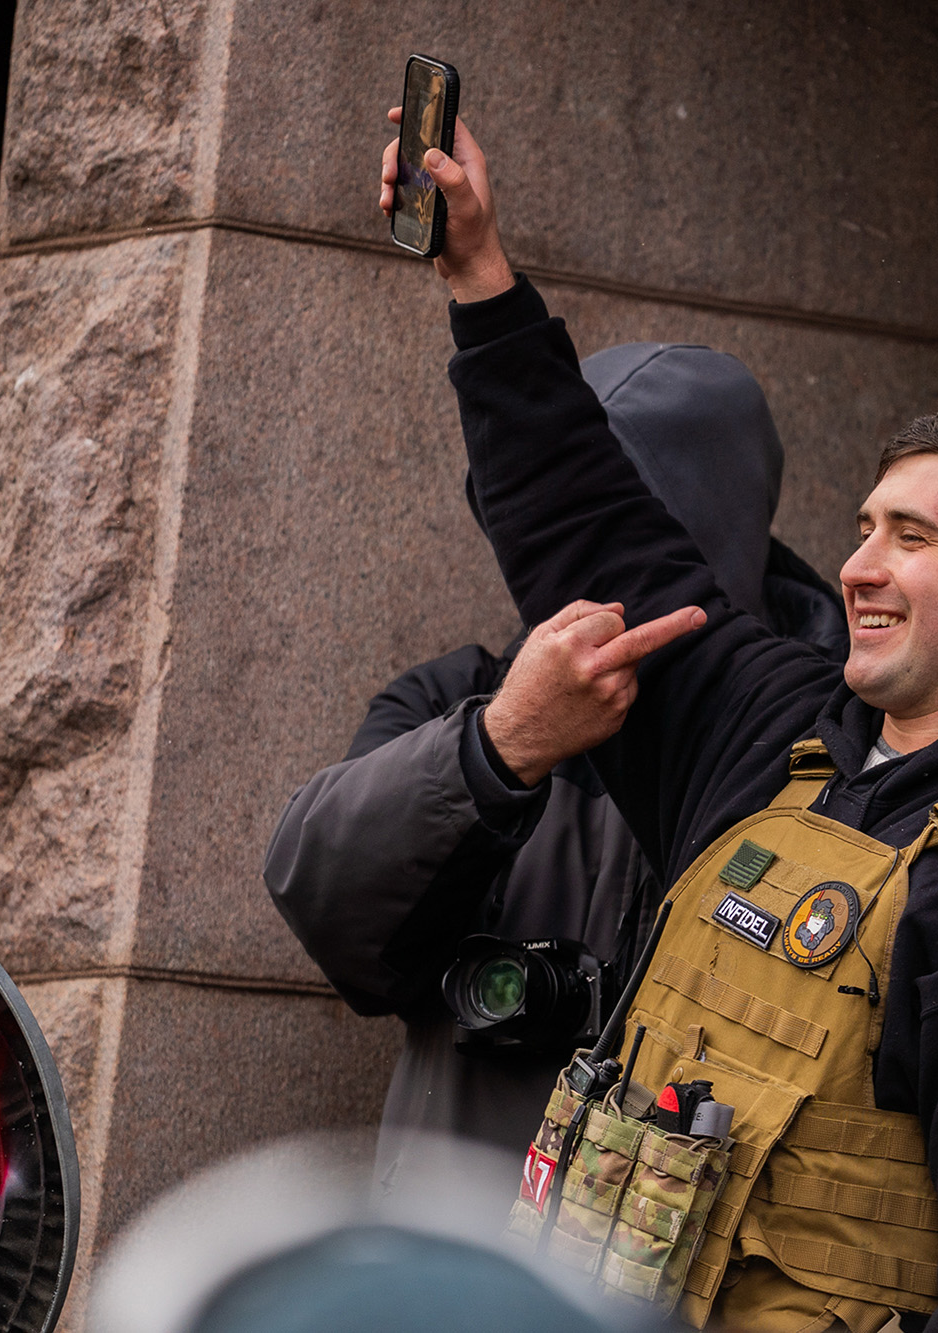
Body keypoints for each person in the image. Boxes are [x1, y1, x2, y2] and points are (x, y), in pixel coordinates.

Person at [376, 106, 938, 1333]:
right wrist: (477, 274)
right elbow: (591, 525)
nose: (857, 566)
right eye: (865, 527)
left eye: (913, 538)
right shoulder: (775, 743)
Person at [263, 341, 848, 1186]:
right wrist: (501, 747)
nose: (548, 554)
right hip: (470, 1276)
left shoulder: (834, 727)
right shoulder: (454, 698)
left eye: (591, 514)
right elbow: (332, 912)